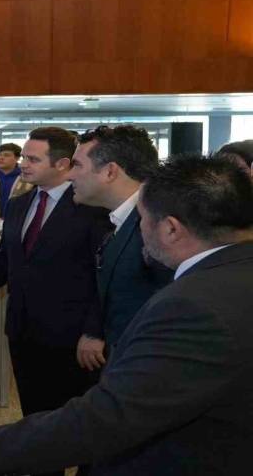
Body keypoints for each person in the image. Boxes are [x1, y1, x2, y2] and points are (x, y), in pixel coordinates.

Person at [0, 155, 253, 476]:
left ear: (171, 228)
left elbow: (103, 420)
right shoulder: (231, 275)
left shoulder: (193, 307)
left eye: (142, 219)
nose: (138, 232)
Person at [0, 127, 110, 476]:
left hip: (73, 339)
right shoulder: (21, 203)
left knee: (80, 424)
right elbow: (8, 257)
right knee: (36, 419)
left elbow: (104, 277)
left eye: (33, 159)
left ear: (62, 164)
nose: (23, 163)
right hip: (23, 329)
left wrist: (95, 330)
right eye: (23, 156)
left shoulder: (92, 209)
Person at [68, 125, 173, 369]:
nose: (69, 175)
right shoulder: (123, 219)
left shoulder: (155, 226)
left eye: (77, 165)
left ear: (110, 171)